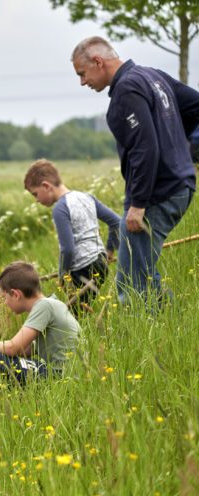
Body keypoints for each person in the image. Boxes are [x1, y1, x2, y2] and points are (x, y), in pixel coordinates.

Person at [71, 36, 199, 305]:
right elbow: (195, 106)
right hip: (179, 184)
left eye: (82, 74)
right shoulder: (152, 76)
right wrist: (183, 152)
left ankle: (158, 336)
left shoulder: (127, 90)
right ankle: (170, 321)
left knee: (130, 287)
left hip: (157, 193)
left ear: (97, 61)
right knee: (140, 275)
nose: (82, 82)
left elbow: (144, 148)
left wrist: (138, 204)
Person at [24, 159, 120, 311]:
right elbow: (116, 222)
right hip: (100, 264)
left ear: (46, 186)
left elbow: (67, 248)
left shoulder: (60, 208)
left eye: (35, 194)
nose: (36, 200)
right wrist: (108, 251)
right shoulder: (86, 197)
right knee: (82, 311)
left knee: (74, 316)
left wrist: (63, 275)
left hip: (82, 268)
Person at [0, 262, 80, 383]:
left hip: (62, 376)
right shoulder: (53, 303)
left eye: (4, 298)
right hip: (66, 373)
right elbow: (25, 350)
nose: (5, 303)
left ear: (16, 294)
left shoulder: (44, 306)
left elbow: (14, 347)